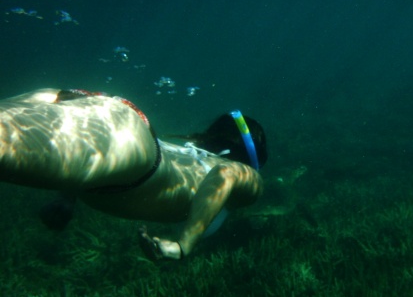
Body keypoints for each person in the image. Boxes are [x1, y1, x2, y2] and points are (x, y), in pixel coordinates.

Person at [0, 88, 267, 260]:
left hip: (101, 111)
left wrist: (67, 198)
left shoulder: (189, 152)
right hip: (126, 143)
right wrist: (183, 245)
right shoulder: (250, 181)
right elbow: (226, 173)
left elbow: (105, 161)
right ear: (252, 161)